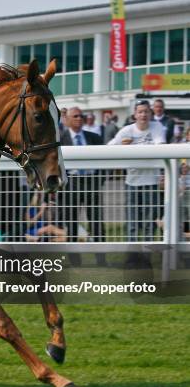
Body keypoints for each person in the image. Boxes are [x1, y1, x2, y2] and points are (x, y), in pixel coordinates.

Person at [108, 100, 166, 247]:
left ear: (151, 113)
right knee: (132, 220)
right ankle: (131, 252)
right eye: (140, 111)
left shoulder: (157, 126)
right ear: (135, 114)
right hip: (131, 182)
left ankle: (147, 251)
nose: (143, 114)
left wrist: (133, 148)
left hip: (151, 182)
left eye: (146, 111)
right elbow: (109, 147)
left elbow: (161, 147)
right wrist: (123, 147)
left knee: (149, 219)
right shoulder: (127, 130)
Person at [60, 107, 106, 266]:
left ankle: (101, 259)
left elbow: (105, 162)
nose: (79, 118)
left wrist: (99, 181)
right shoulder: (59, 139)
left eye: (81, 116)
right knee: (71, 222)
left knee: (96, 221)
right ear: (67, 119)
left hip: (91, 182)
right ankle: (74, 261)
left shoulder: (95, 137)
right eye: (75, 116)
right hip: (71, 183)